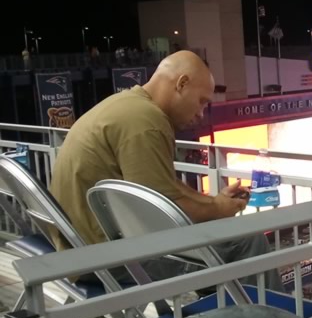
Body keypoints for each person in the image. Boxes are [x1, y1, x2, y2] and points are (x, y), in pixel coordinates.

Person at [49, 50, 282, 290]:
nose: (201, 114)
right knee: (248, 242)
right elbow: (159, 210)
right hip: (108, 261)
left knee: (228, 241)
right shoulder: (147, 122)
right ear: (182, 84)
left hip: (80, 251)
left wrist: (215, 203)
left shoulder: (129, 107)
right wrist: (218, 209)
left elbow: (164, 186)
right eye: (202, 101)